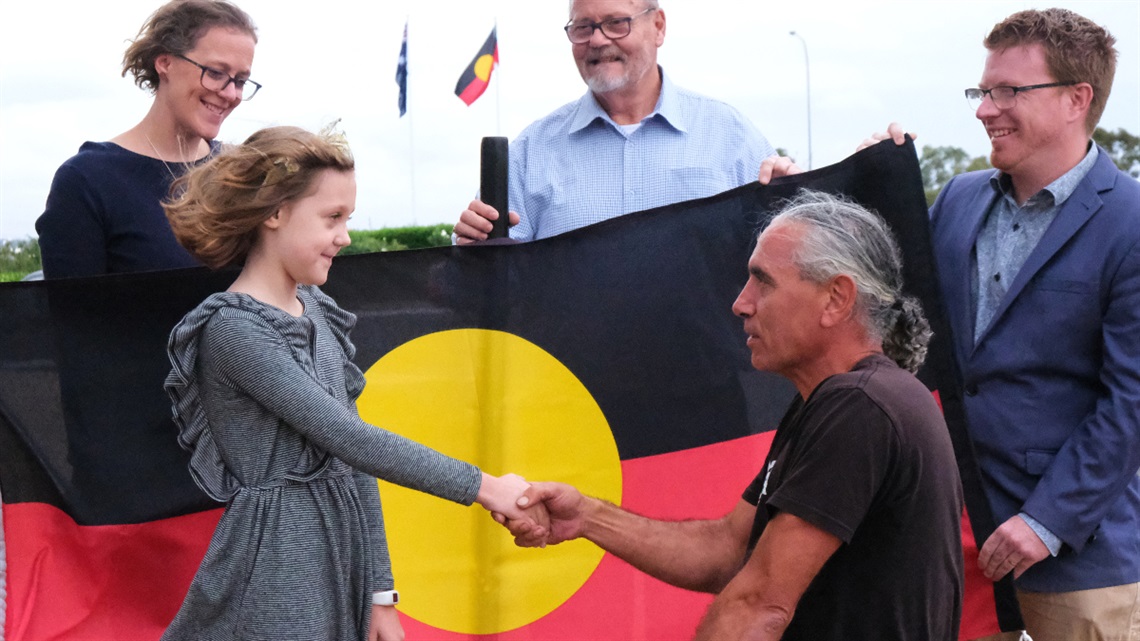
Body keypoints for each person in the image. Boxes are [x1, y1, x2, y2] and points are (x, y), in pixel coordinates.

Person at [501, 190, 964, 640]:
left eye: (763, 280)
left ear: (836, 298)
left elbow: (758, 606)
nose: (741, 303)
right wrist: (585, 516)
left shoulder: (858, 405)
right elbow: (728, 551)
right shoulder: (839, 399)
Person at [160, 125, 547, 641]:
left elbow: (350, 459)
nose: (344, 236)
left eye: (349, 219)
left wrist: (380, 593)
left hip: (339, 557)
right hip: (274, 564)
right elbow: (349, 439)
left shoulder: (316, 309)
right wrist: (486, 488)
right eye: (332, 218)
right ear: (273, 213)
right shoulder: (234, 329)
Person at [862, 9, 1140, 640]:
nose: (986, 109)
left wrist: (1047, 521)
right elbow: (896, 312)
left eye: (1009, 91)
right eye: (982, 92)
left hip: (1081, 556)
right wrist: (856, 183)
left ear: (1077, 99)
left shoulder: (1131, 222)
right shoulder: (959, 197)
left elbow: (1132, 403)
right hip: (950, 541)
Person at [452, 0, 776, 244]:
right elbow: (492, 288)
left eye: (616, 23)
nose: (597, 40)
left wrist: (799, 199)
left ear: (659, 27)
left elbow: (788, 261)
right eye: (583, 27)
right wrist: (472, 248)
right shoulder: (530, 153)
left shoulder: (732, 138)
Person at [35, 0, 259, 278]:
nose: (230, 94)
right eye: (215, 73)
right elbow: (70, 315)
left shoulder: (241, 173)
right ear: (165, 63)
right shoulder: (87, 181)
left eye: (240, 80)